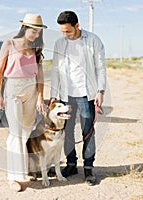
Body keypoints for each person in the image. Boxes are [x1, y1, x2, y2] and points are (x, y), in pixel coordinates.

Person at [49, 10, 106, 186]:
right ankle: (71, 164)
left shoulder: (93, 40)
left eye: (68, 31)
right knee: (67, 131)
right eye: (63, 32)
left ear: (77, 26)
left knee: (87, 131)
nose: (65, 35)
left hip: (86, 94)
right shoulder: (60, 43)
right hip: (66, 95)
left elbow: (101, 68)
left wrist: (100, 91)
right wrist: (53, 95)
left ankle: (88, 169)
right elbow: (56, 70)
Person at [0, 13, 47, 192]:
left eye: (38, 31)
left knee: (26, 131)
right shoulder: (9, 44)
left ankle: (23, 169)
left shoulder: (36, 49)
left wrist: (41, 97)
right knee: (16, 132)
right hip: (13, 89)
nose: (36, 34)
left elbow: (40, 75)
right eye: (33, 30)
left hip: (31, 89)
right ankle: (13, 177)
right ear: (24, 28)